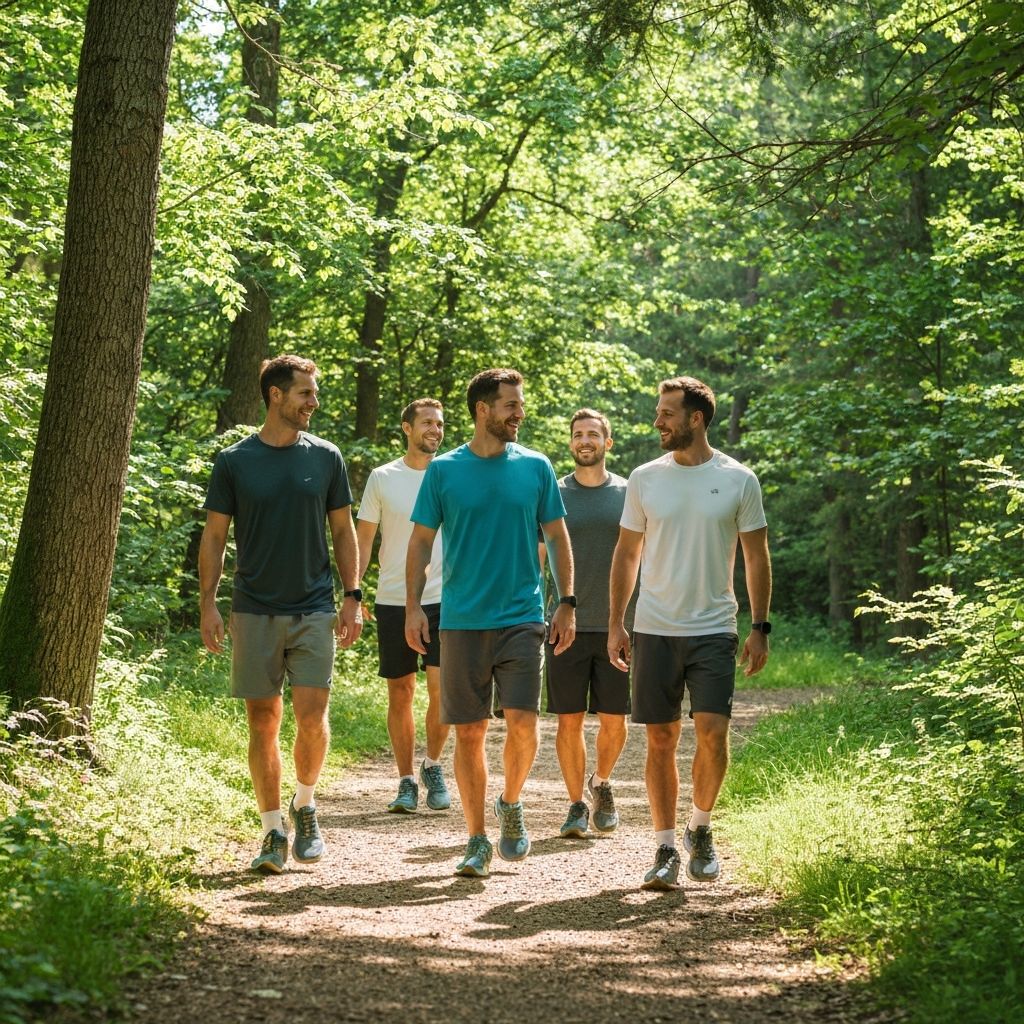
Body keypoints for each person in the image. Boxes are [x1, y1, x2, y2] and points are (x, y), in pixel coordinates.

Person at [405, 368, 576, 879]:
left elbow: (557, 536)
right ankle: (477, 838)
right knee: (470, 732)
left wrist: (567, 601)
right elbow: (420, 542)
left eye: (519, 404)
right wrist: (413, 607)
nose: (519, 413)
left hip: (522, 615)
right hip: (461, 620)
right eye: (510, 405)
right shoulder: (444, 471)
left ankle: (511, 801)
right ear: (483, 409)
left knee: (524, 723)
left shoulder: (536, 466)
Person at [199, 355, 362, 874]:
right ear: (276, 395)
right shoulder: (235, 461)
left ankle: (305, 805)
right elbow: (215, 536)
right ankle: (272, 830)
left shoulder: (327, 456)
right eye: (305, 393)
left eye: (314, 393)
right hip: (254, 609)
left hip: (314, 607)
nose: (314, 402)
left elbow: (344, 530)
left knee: (312, 719)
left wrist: (353, 595)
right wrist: (208, 603)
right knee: (263, 722)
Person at [608, 376, 771, 891]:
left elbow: (756, 556)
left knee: (713, 735)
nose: (658, 421)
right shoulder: (644, 479)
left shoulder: (739, 479)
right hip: (655, 627)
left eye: (667, 414)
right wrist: (616, 620)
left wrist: (760, 626)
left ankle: (700, 828)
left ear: (695, 419)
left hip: (714, 628)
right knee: (660, 739)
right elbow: (627, 553)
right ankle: (663, 847)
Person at [356, 399, 451, 814]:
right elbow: (363, 540)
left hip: (444, 598)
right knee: (401, 691)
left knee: (441, 689)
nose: (435, 429)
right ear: (407, 428)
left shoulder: (451, 474)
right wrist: (352, 591)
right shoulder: (383, 477)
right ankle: (406, 779)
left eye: (440, 424)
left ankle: (433, 765)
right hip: (393, 598)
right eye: (427, 422)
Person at [544, 409, 635, 840]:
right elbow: (538, 556)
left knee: (614, 720)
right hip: (565, 625)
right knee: (569, 719)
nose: (585, 440)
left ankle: (601, 782)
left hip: (618, 625)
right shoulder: (554, 493)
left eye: (593, 434)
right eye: (578, 434)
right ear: (571, 442)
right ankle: (576, 804)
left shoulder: (630, 493)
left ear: (607, 442)